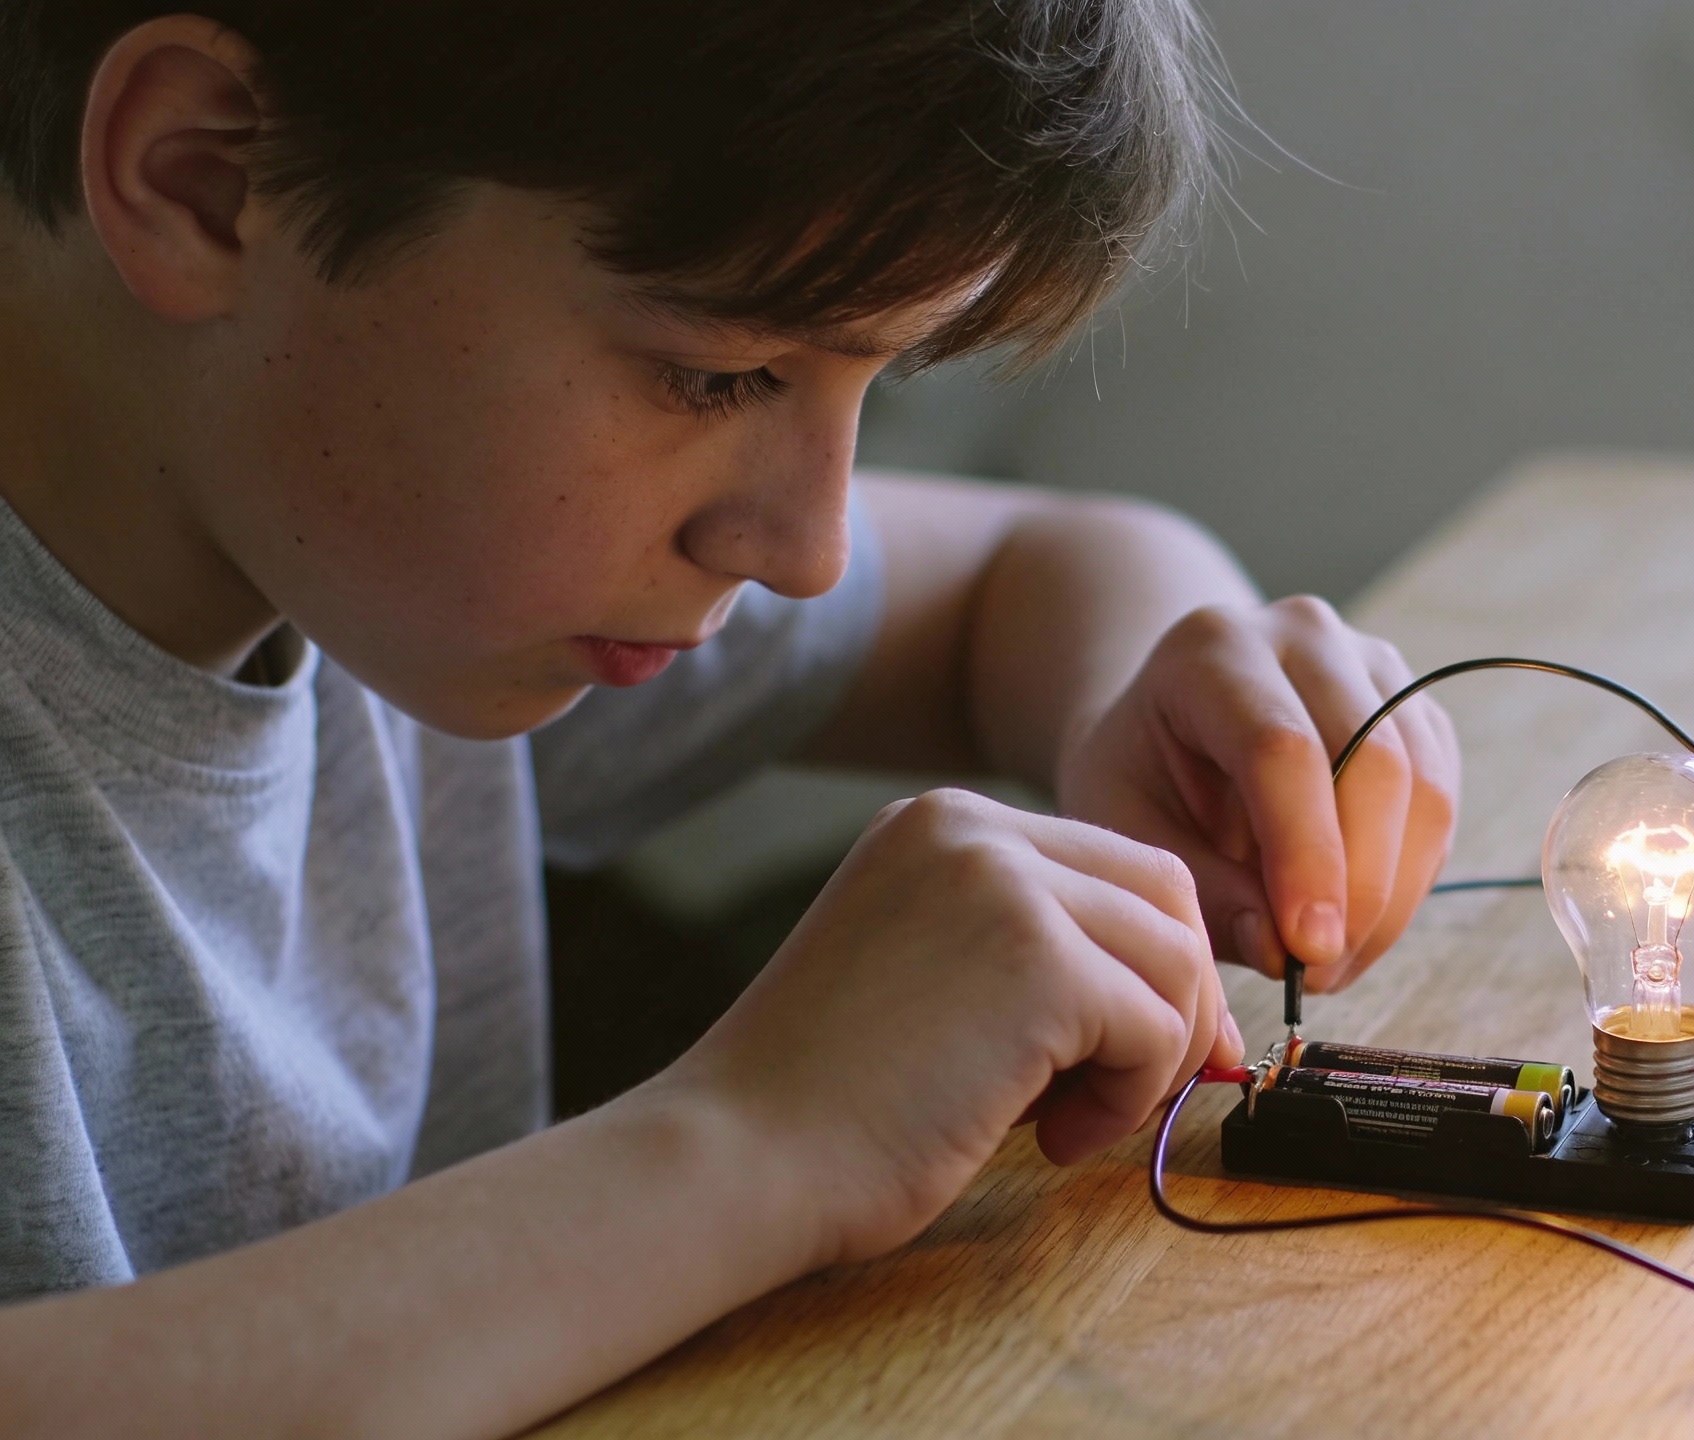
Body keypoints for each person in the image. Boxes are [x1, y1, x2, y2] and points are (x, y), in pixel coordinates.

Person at [0, 3, 1458, 1434]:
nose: (806, 547)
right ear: (204, 175)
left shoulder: (348, 532)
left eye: (865, 382)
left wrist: (1168, 706)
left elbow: (1043, 569)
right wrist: (751, 1145)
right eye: (721, 374)